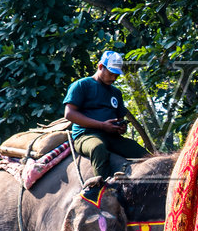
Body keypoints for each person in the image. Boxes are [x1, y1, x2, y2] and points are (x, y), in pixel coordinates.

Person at [63, 51, 147, 182]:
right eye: (111, 73)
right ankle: (103, 188)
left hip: (112, 137)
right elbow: (69, 113)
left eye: (117, 75)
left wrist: (121, 127)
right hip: (86, 135)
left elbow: (119, 117)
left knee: (141, 152)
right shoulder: (82, 85)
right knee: (98, 148)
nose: (114, 78)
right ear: (100, 66)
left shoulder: (116, 92)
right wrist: (101, 125)